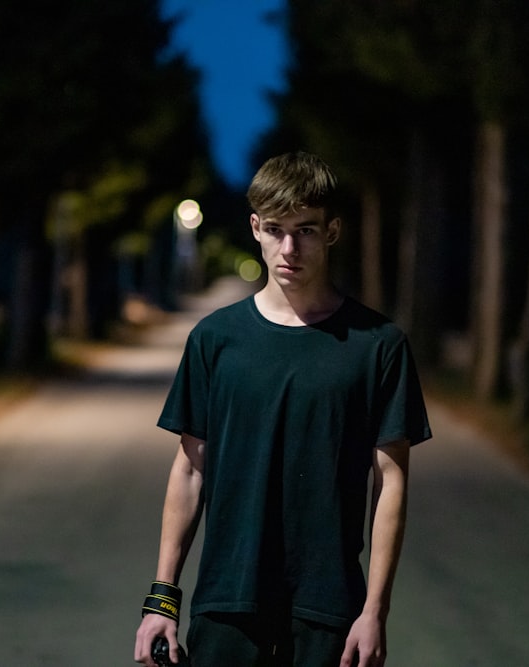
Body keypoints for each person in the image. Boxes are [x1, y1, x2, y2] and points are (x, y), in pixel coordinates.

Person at [134, 151, 431, 667]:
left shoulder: (378, 346)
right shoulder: (215, 340)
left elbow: (390, 484)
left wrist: (374, 610)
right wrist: (162, 598)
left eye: (307, 231)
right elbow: (189, 469)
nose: (289, 248)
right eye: (275, 229)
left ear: (333, 231)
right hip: (227, 603)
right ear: (255, 228)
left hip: (329, 610)